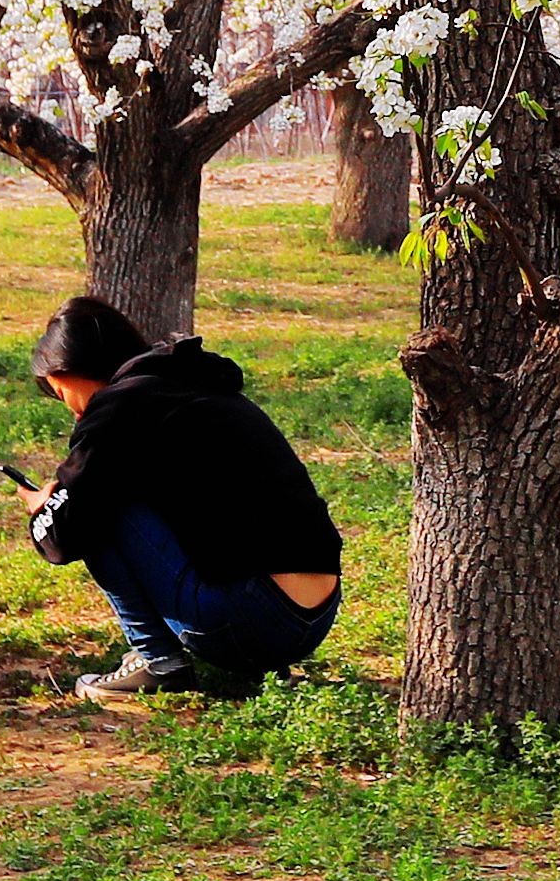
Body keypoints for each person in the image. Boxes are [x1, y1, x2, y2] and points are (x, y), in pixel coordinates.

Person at [23, 295, 342, 702]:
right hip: (316, 616)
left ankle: (158, 661)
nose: (68, 408)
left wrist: (45, 508)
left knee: (96, 510)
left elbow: (65, 536)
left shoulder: (118, 408)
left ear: (67, 371)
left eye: (59, 392)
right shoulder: (195, 385)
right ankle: (254, 661)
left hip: (250, 621)